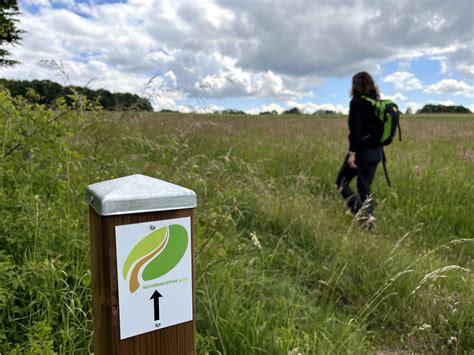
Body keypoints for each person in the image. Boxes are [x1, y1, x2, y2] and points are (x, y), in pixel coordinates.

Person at [336, 71, 382, 228]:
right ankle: (369, 221)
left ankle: (364, 218)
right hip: (377, 152)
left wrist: (352, 153)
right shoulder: (376, 102)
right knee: (364, 187)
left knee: (341, 183)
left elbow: (355, 130)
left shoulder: (356, 102)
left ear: (355, 85)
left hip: (362, 152)